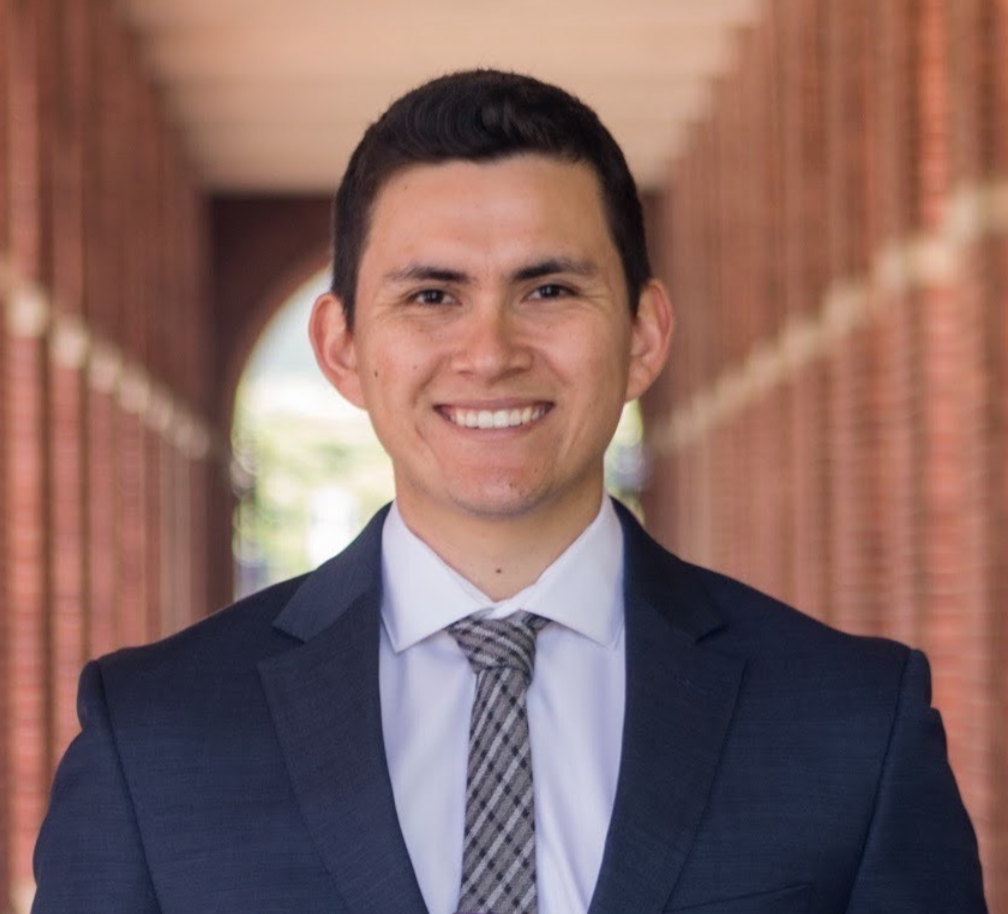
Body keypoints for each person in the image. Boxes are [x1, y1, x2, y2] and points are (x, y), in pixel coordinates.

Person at [32, 70, 986, 914]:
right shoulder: (154, 733)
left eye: (550, 290)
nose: (490, 353)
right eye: (431, 295)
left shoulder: (853, 721)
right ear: (343, 348)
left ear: (645, 336)